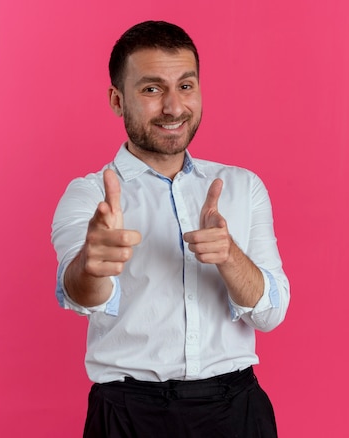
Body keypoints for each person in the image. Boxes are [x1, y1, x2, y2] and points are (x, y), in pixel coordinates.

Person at [51, 20, 290, 437]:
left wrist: (229, 255)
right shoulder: (89, 196)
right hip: (127, 416)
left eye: (185, 86)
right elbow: (79, 294)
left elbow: (271, 314)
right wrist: (92, 266)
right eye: (151, 89)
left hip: (236, 411)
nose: (174, 108)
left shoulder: (242, 187)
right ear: (116, 99)